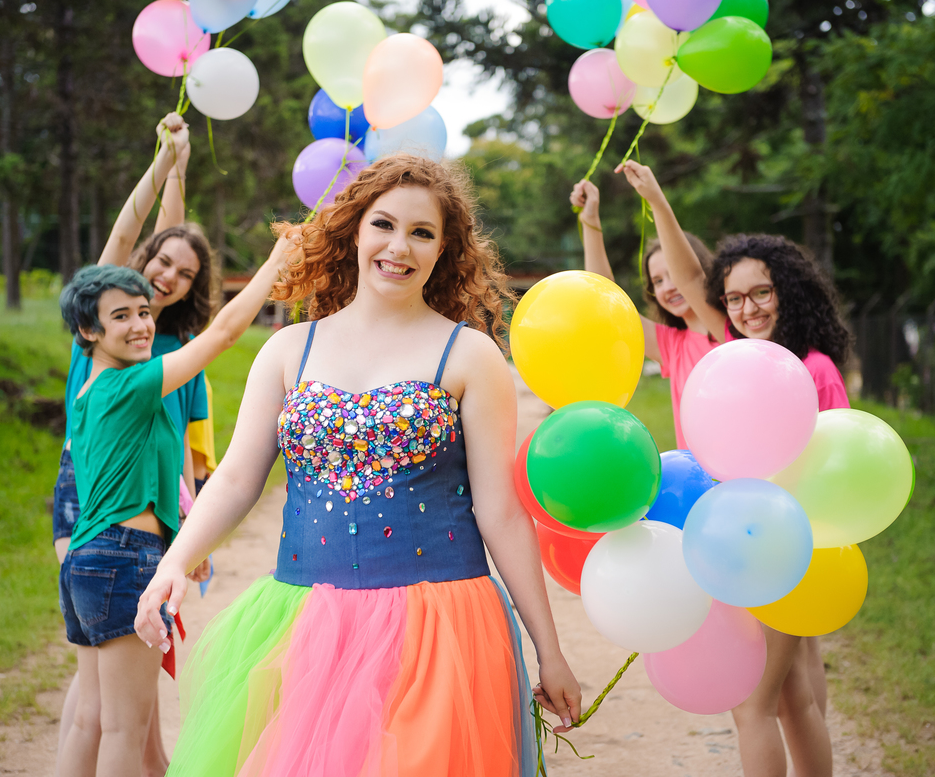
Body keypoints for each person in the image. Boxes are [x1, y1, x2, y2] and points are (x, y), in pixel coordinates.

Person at [135, 154, 582, 777]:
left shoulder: (471, 356)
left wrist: (549, 651)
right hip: (307, 623)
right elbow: (238, 479)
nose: (399, 246)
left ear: (444, 250)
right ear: (353, 230)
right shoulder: (290, 349)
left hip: (439, 627)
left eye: (422, 232)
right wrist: (175, 562)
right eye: (384, 224)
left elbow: (500, 512)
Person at [616, 158, 850, 777]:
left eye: (762, 293)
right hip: (749, 540)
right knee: (793, 695)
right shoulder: (741, 356)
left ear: (787, 293)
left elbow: (831, 474)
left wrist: (656, 199)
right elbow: (695, 289)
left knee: (753, 706)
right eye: (737, 298)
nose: (747, 308)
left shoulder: (813, 369)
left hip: (778, 547)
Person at [55, 228, 288, 777]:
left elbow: (162, 471)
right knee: (124, 730)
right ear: (89, 331)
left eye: (144, 311)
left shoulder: (88, 388)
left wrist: (187, 534)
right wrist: (279, 257)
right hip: (123, 557)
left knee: (91, 719)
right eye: (121, 317)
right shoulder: (130, 386)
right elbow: (227, 331)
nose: (140, 324)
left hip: (87, 561)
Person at [50, 113, 212, 776]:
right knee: (100, 671)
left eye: (183, 273)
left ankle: (152, 766)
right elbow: (129, 234)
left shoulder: (171, 349)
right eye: (161, 262)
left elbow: (190, 453)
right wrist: (168, 161)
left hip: (155, 497)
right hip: (87, 493)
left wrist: (193, 530)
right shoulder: (106, 322)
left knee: (118, 671)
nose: (168, 275)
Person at [569, 178, 717, 449]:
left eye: (673, 275)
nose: (669, 287)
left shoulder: (735, 330)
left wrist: (656, 200)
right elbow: (606, 299)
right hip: (701, 485)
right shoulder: (672, 346)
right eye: (658, 281)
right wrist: (590, 220)